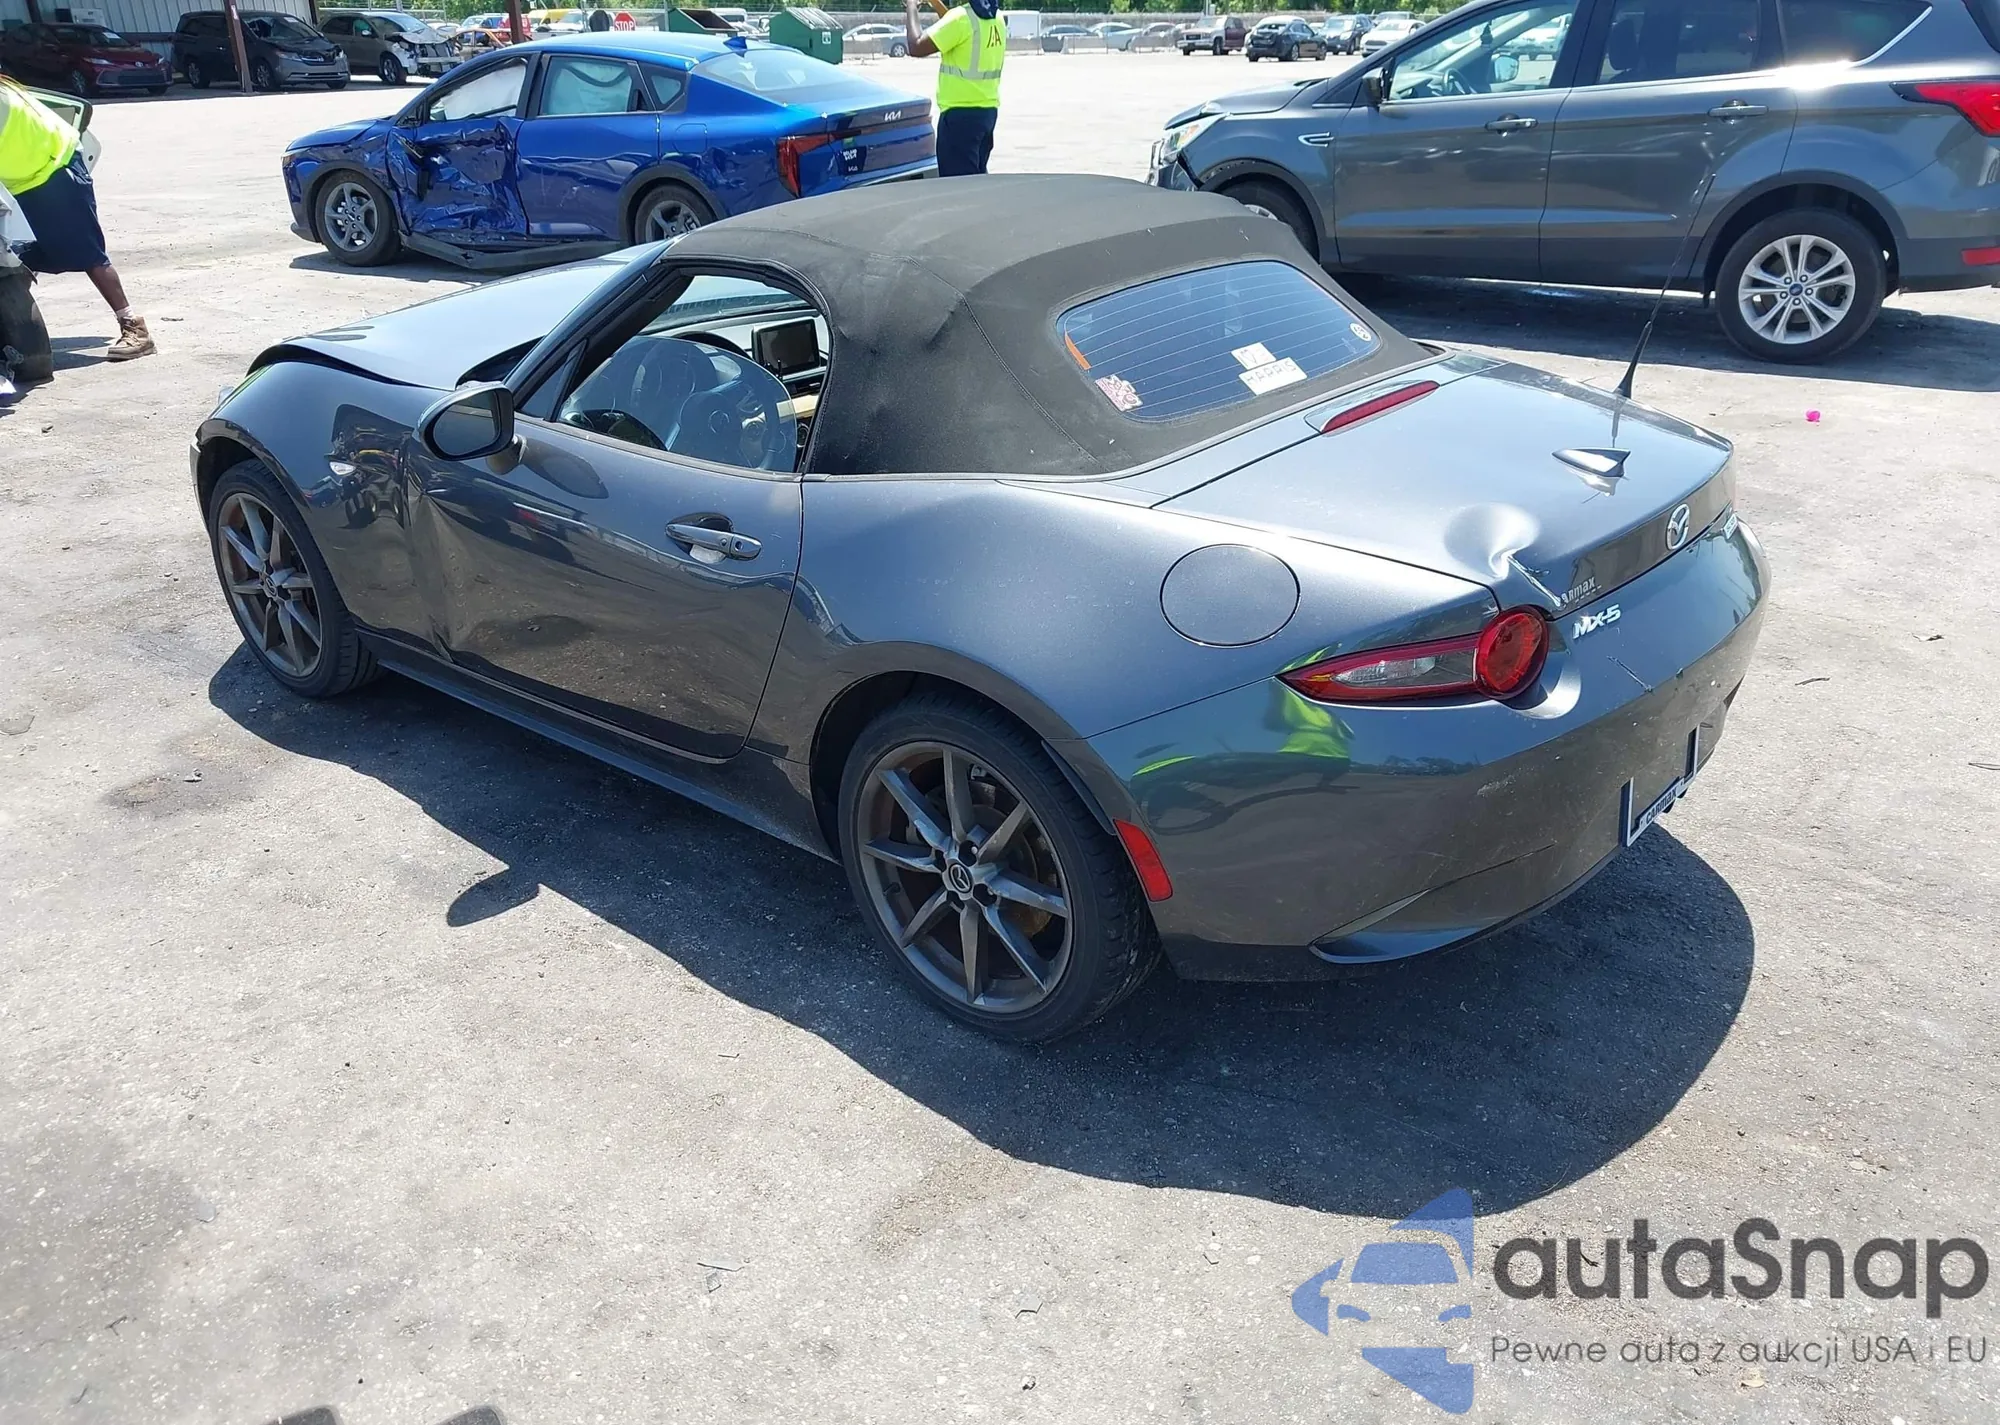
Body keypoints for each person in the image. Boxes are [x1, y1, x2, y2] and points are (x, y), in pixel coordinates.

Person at [0, 78, 150, 362]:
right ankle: (15, 323)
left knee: (87, 252)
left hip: (56, 169)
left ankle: (135, 328)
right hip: (23, 181)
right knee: (18, 254)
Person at [905, 0, 1005, 178]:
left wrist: (911, 6)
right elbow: (953, 28)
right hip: (986, 113)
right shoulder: (996, 17)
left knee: (958, 186)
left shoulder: (960, 19)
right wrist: (936, 4)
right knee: (976, 181)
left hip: (959, 118)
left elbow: (916, 46)